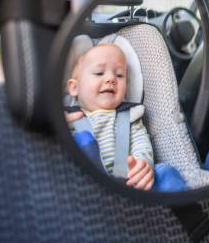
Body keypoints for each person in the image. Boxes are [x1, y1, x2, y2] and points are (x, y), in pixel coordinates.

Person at [66, 43, 156, 191]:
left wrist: (143, 164)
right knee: (82, 139)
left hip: (128, 182)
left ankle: (188, 212)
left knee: (167, 173)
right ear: (75, 87)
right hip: (85, 184)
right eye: (99, 73)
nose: (111, 79)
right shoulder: (70, 119)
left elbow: (141, 144)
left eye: (119, 75)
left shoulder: (129, 116)